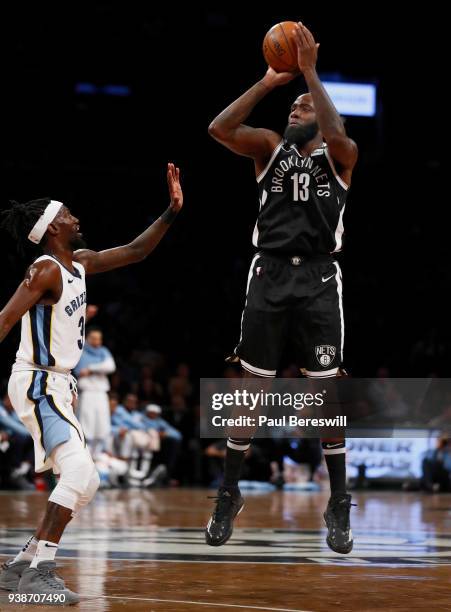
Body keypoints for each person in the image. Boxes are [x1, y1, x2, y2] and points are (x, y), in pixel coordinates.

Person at [205, 22, 358, 554]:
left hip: (318, 278)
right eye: (292, 105)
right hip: (269, 273)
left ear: (323, 113)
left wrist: (311, 73)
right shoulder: (269, 147)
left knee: (325, 393)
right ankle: (229, 492)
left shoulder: (340, 156)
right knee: (251, 392)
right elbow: (219, 129)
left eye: (304, 105)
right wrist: (270, 83)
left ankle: (338, 502)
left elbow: (337, 134)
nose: (296, 109)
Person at [0, 163, 183, 602]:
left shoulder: (78, 264)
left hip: (60, 384)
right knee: (80, 471)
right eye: (67, 214)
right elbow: (5, 318)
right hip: (38, 381)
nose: (75, 218)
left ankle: (20, 566)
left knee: (90, 479)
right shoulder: (44, 269)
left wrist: (172, 211)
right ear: (51, 229)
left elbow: (136, 251)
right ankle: (41, 570)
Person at [74, 327, 116, 459]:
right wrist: (99, 369)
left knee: (102, 425)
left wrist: (91, 369)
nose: (97, 341)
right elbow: (80, 371)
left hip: (101, 392)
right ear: (88, 338)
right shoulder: (81, 351)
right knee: (87, 424)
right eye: (94, 338)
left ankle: (96, 456)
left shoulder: (103, 351)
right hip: (87, 393)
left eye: (99, 338)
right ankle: (85, 455)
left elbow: (110, 366)